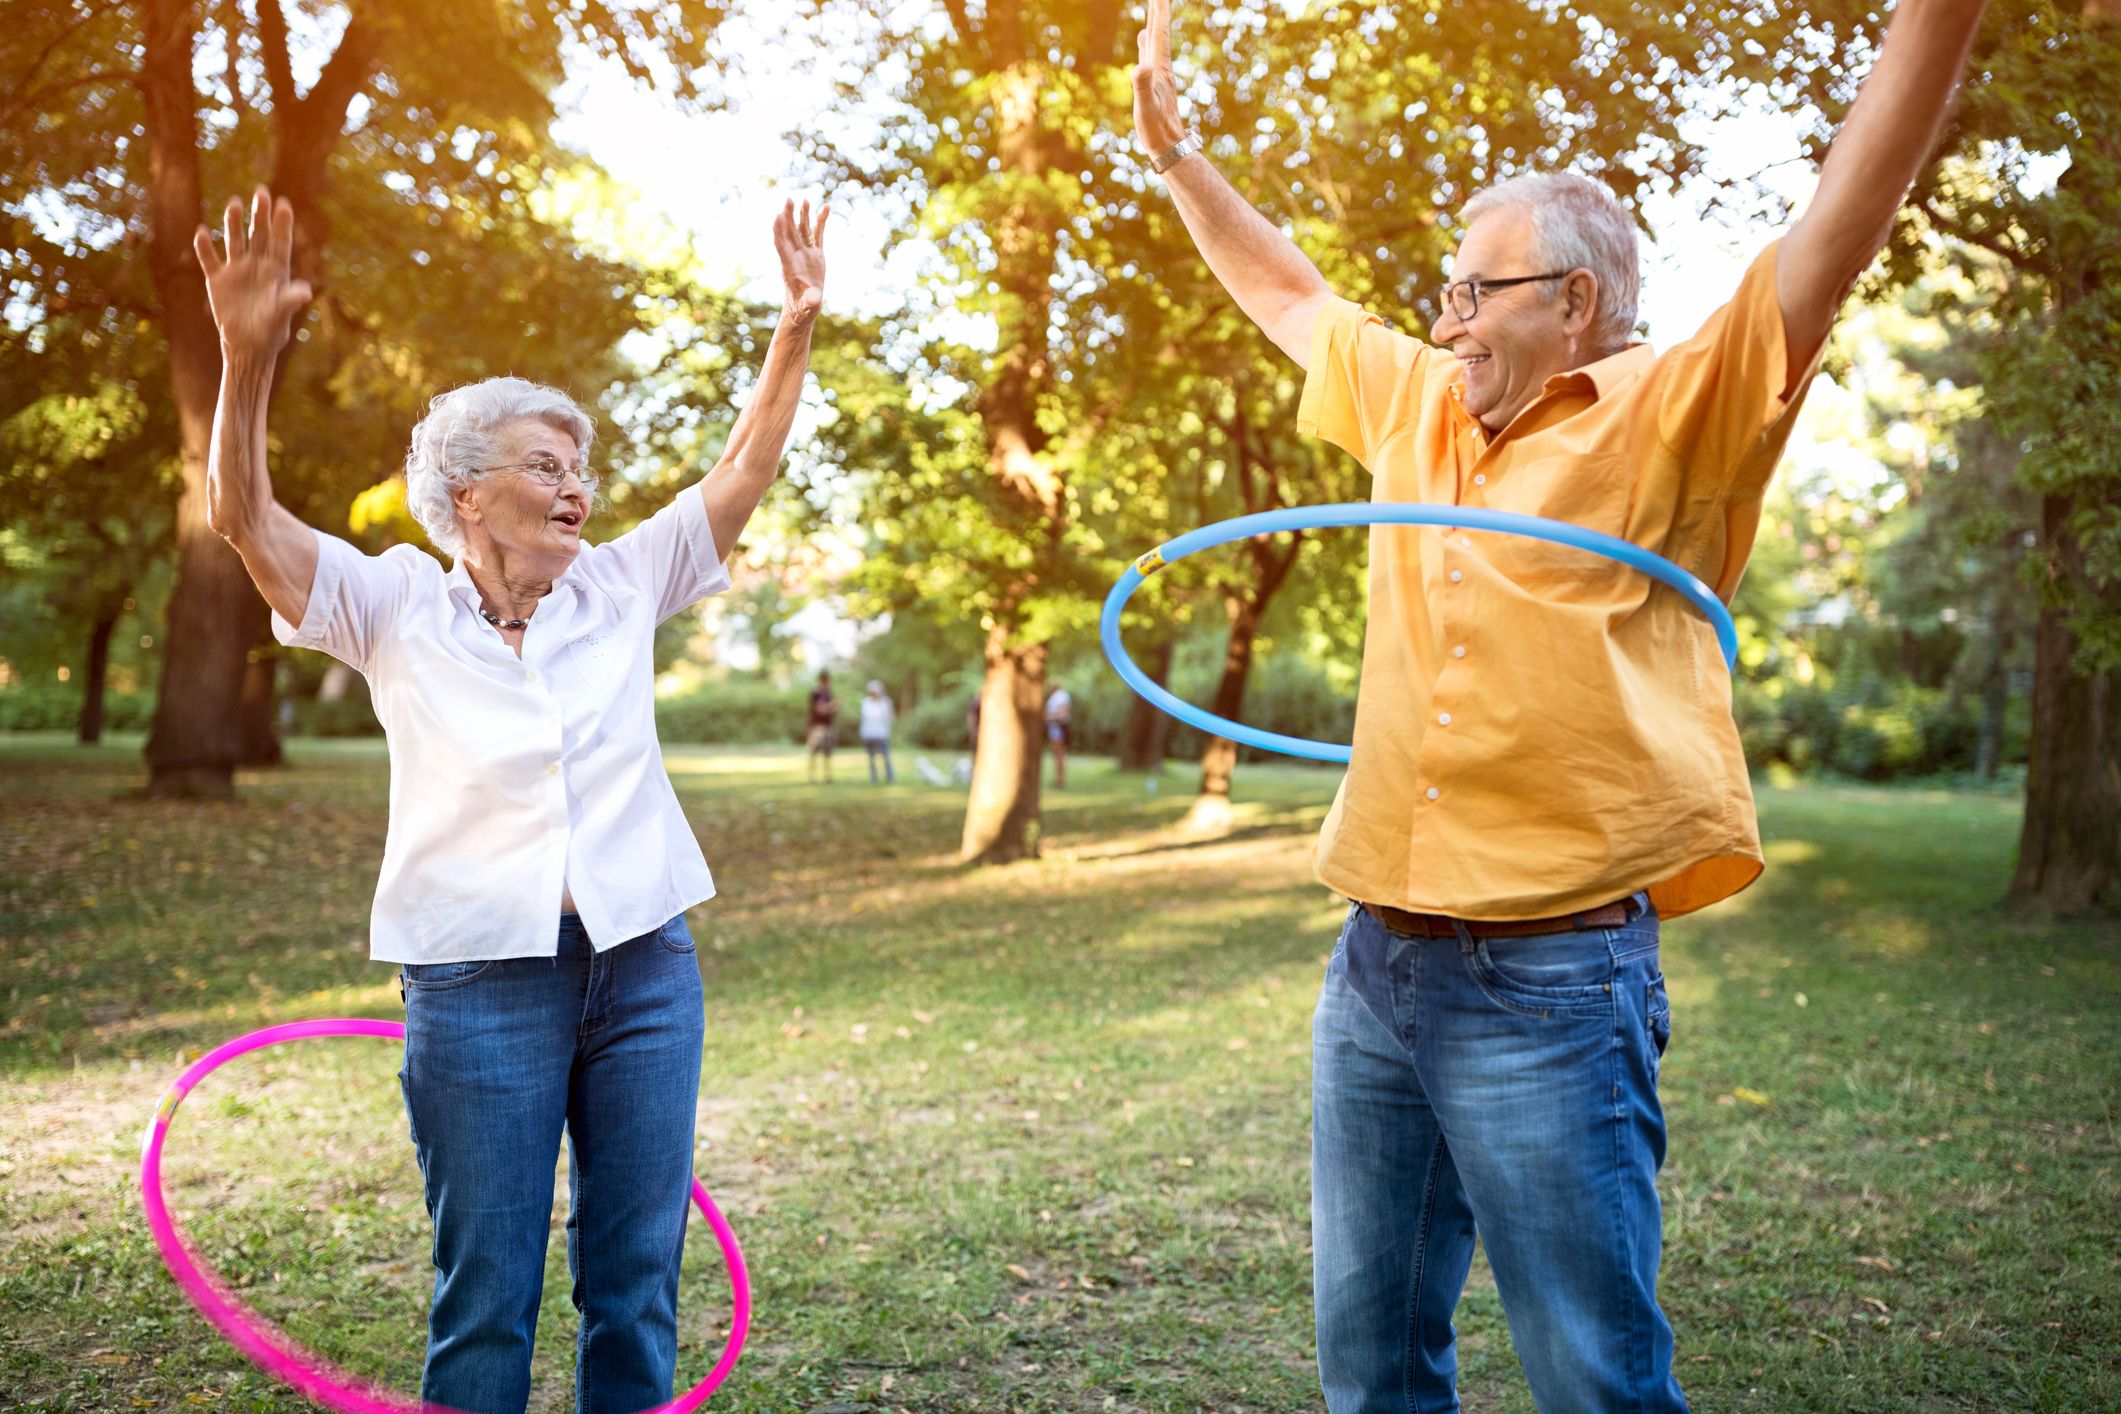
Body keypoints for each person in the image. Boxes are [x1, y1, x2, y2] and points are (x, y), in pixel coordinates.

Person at [1133, 1, 1992, 1408]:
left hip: (1551, 980)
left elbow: (1841, 225)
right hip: (1374, 963)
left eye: (1472, 289)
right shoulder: (1417, 403)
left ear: (1572, 301)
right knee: (1368, 1364)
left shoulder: (1675, 409)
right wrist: (1176, 157)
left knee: (1592, 1374)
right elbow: (1289, 295)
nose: (1442, 313)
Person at [193, 184, 829, 1413]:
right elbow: (241, 517)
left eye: (582, 465)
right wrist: (245, 358)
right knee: (484, 1296)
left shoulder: (622, 586)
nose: (579, 487)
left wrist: (794, 323)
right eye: (548, 465)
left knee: (634, 1283)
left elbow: (748, 463)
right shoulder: (388, 603)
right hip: (481, 982)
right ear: (467, 495)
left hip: (645, 966)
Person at [858, 679, 896, 784]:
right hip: (869, 733)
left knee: (886, 756)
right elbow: (864, 718)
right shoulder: (865, 702)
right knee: (871, 757)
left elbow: (890, 718)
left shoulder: (885, 702)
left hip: (882, 733)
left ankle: (890, 777)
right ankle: (874, 778)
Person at [806, 669, 838, 783]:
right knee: (814, 752)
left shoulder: (828, 692)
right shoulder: (816, 692)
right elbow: (819, 709)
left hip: (827, 725)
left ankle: (828, 776)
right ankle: (812, 776)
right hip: (817, 726)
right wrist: (831, 706)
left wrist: (829, 707)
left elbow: (832, 708)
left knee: (827, 752)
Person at [1043, 681, 1072, 788]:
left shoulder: (1062, 696)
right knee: (1056, 756)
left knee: (1060, 755)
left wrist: (1048, 716)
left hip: (1059, 729)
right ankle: (1058, 778)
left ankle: (1060, 780)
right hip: (1053, 729)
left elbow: (1063, 714)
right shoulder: (1055, 696)